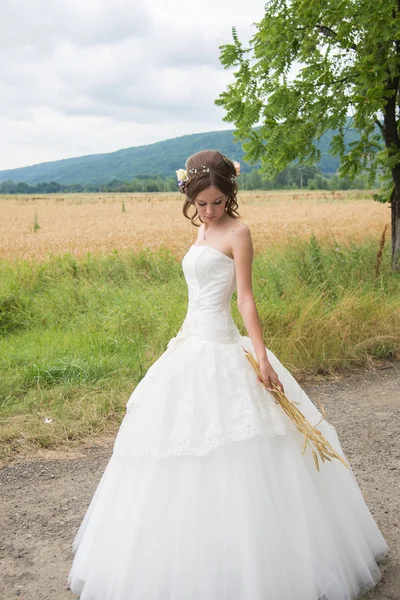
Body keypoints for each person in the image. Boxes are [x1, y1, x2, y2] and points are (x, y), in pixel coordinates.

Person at [67, 149, 389, 600]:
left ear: (230, 196)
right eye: (202, 203)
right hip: (188, 346)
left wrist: (261, 356)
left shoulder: (238, 232)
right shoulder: (201, 231)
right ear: (190, 199)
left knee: (244, 449)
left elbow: (245, 299)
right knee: (173, 447)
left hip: (222, 344)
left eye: (218, 202)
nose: (210, 210)